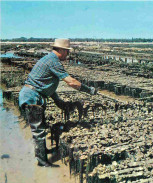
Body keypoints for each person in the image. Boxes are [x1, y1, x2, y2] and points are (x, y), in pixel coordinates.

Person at [18, 38, 97, 167]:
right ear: (60, 50)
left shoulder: (49, 59)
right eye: (66, 51)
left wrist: (58, 101)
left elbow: (45, 85)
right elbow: (71, 82)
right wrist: (89, 90)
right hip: (32, 98)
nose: (68, 54)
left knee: (40, 126)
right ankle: (42, 162)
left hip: (33, 95)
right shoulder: (53, 61)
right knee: (38, 129)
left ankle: (43, 152)